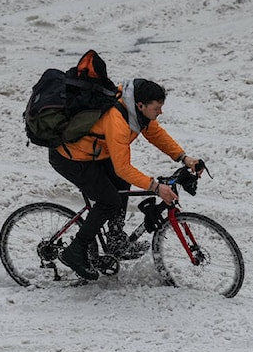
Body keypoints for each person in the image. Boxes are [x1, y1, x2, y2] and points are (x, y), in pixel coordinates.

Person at [49, 77, 202, 280]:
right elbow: (122, 167)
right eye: (157, 108)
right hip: (70, 157)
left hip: (95, 153)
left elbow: (155, 133)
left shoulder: (136, 111)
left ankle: (115, 238)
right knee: (108, 199)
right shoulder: (118, 120)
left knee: (121, 185)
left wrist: (183, 157)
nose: (160, 112)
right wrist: (156, 187)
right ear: (141, 105)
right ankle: (76, 250)